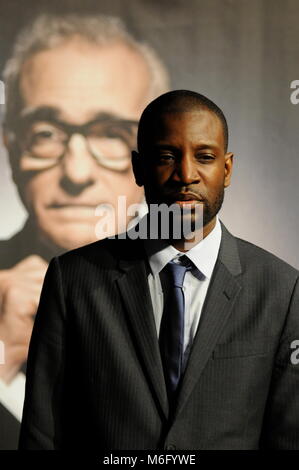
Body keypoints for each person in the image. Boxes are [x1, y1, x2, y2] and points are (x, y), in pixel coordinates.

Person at [19, 90, 299, 450]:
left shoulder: (282, 290)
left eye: (205, 156)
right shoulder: (73, 279)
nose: (185, 174)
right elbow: (43, 434)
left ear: (226, 169)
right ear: (139, 168)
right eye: (167, 156)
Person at [0, 13, 169, 449]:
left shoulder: (241, 299)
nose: (76, 172)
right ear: (10, 144)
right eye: (44, 132)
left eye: (113, 135)